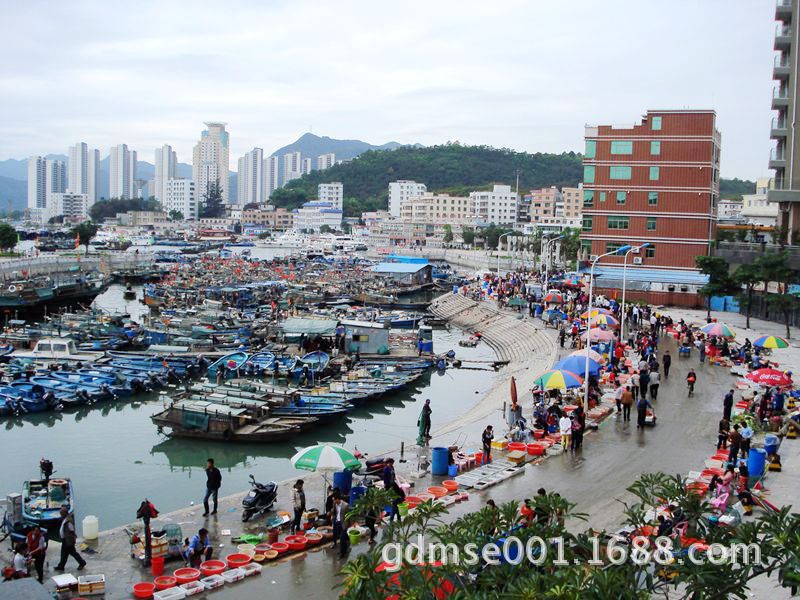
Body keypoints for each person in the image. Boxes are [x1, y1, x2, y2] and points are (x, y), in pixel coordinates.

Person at [54, 507, 86, 571]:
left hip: (68, 541)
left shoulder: (68, 521)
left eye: (61, 513)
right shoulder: (65, 519)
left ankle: (82, 562)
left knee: (73, 553)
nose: (60, 515)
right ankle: (61, 566)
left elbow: (72, 530)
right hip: (65, 540)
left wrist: (71, 539)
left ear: (64, 513)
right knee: (64, 553)